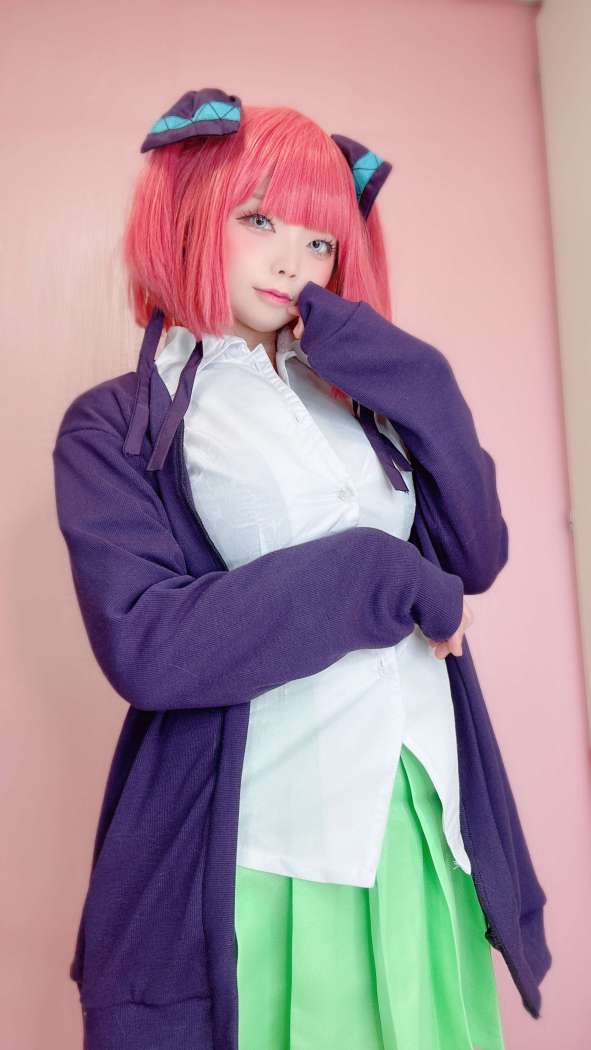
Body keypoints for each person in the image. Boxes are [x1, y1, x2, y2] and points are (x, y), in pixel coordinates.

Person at [52, 88, 551, 1050]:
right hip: (263, 835)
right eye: (259, 221)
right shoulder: (118, 424)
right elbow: (150, 644)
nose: (292, 260)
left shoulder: (359, 399)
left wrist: (415, 376)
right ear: (191, 217)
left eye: (319, 240)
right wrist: (381, 573)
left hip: (418, 810)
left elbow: (473, 557)